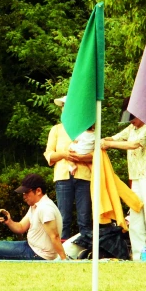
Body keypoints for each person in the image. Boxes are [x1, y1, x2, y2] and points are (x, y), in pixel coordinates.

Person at [103, 100, 146, 261]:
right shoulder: (132, 127)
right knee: (135, 215)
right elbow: (116, 137)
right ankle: (140, 254)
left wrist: (110, 144)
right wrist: (101, 140)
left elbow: (134, 144)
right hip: (136, 178)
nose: (131, 120)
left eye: (134, 117)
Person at [0, 173, 66, 260]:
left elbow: (55, 236)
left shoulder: (45, 208)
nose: (24, 196)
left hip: (38, 254)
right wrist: (9, 221)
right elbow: (21, 227)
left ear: (38, 191)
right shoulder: (36, 205)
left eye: (26, 192)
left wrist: (64, 260)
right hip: (30, 247)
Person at [44, 96, 92, 240]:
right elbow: (49, 155)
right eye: (63, 106)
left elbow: (97, 155)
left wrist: (81, 158)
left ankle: (86, 250)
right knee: (63, 218)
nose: (65, 109)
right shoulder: (56, 129)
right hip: (63, 176)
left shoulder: (87, 128)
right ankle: (62, 252)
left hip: (84, 175)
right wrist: (64, 154)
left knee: (84, 218)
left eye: (67, 106)